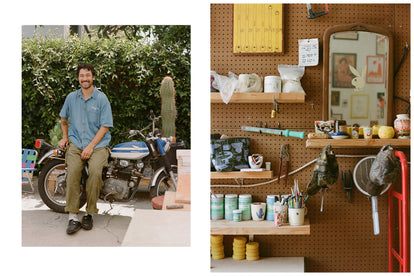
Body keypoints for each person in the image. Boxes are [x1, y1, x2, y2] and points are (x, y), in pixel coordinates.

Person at [58, 63, 113, 234]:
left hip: (97, 145)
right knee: (73, 171)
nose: (85, 79)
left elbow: (105, 126)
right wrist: (65, 137)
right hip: (75, 143)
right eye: (81, 76)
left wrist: (90, 147)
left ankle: (89, 213)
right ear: (78, 78)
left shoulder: (101, 98)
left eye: (87, 75)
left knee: (96, 172)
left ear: (93, 77)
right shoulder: (71, 98)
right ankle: (73, 217)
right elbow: (63, 118)